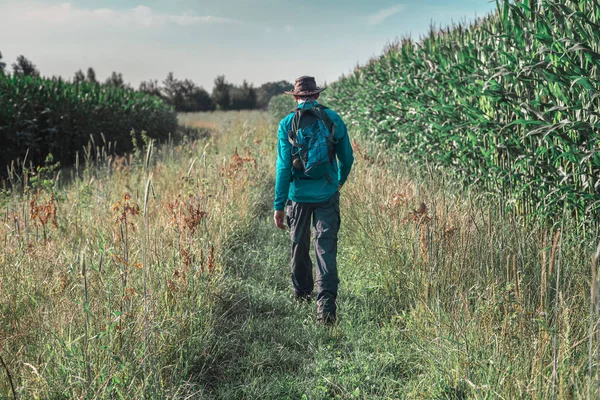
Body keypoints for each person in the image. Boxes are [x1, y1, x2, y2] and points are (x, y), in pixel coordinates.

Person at [273, 75, 354, 325]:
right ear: (317, 95)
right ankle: (326, 306)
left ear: (296, 97)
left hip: (298, 196)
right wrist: (338, 181)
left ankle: (302, 294)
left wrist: (278, 204)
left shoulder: (287, 123)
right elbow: (348, 158)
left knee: (299, 244)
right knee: (325, 247)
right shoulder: (333, 119)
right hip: (327, 193)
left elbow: (284, 167)